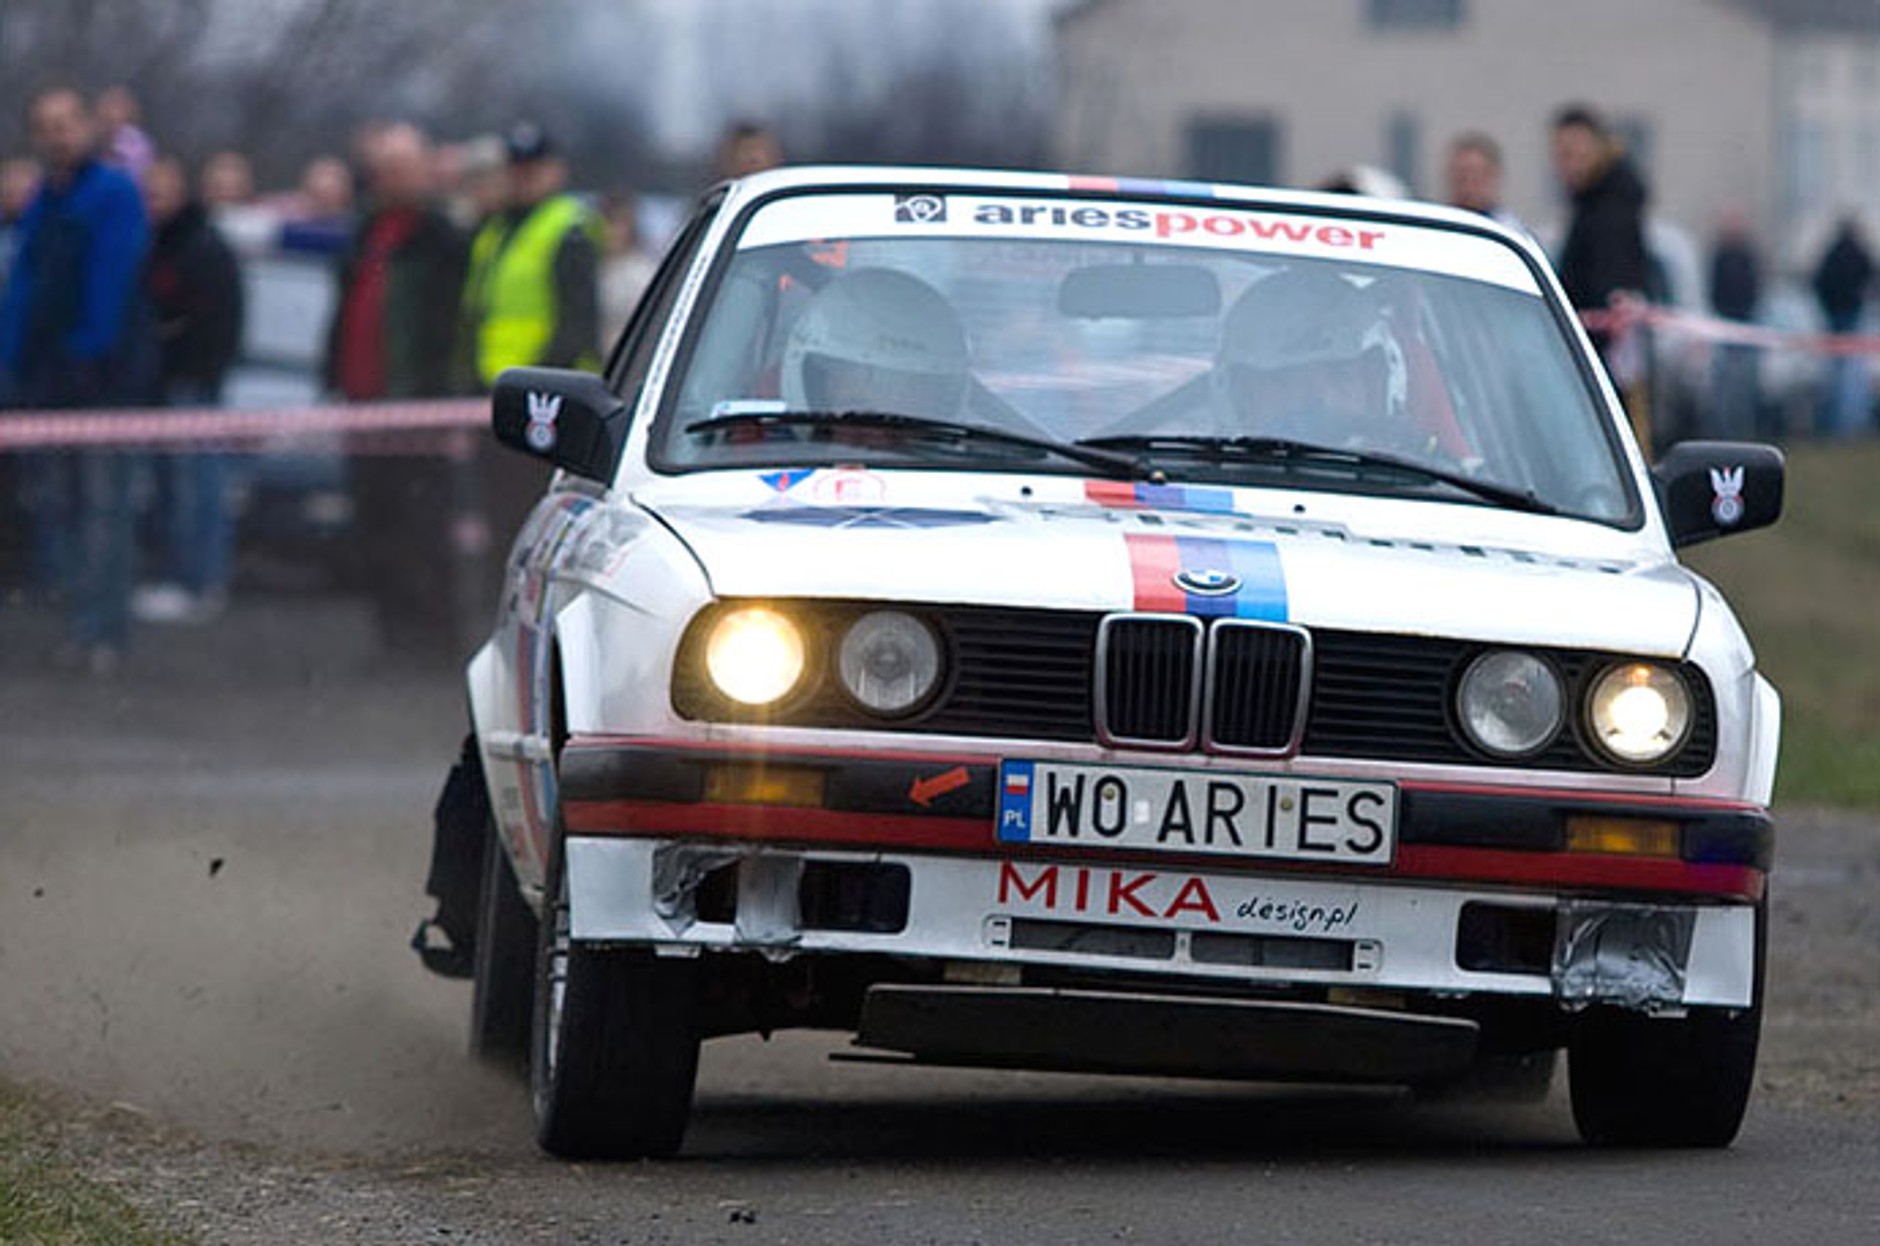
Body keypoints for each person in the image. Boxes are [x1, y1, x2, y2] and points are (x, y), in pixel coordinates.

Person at [0, 86, 152, 674]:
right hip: (49, 382)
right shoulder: (44, 200)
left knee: (105, 509)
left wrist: (89, 353)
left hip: (101, 382)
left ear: (87, 128)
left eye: (66, 123)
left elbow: (110, 283)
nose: (57, 136)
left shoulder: (112, 193)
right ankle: (82, 625)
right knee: (64, 509)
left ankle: (106, 632)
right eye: (46, 126)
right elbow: (27, 288)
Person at [322, 121, 468, 657]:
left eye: (402, 167)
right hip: (364, 400)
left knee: (422, 527)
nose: (391, 178)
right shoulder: (365, 231)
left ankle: (432, 633)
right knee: (375, 522)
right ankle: (394, 633)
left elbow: (450, 322)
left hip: (417, 403)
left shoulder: (442, 238)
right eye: (384, 168)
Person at [133, 155, 245, 624]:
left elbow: (213, 320)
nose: (153, 201)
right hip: (167, 386)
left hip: (193, 386)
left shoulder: (201, 246)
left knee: (194, 490)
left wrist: (187, 362)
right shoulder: (158, 243)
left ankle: (198, 583)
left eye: (161, 191)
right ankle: (183, 579)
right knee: (173, 489)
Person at [1213, 266, 1416, 452]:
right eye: (1288, 381)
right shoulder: (1195, 474)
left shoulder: (1431, 477)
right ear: (1241, 394)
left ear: (1378, 386)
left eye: (1340, 377)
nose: (1322, 399)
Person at [465, 121, 602, 390]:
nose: (522, 178)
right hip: (495, 380)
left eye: (533, 170)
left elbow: (577, 323)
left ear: (556, 171)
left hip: (550, 385)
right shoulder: (495, 230)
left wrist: (543, 378)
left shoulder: (567, 228)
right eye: (516, 169)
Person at [1550, 103, 1651, 440]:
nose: (1568, 165)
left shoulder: (1610, 208)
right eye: (1562, 155)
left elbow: (1608, 282)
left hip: (1608, 348)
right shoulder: (1592, 203)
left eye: (1575, 153)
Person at [780, 267, 970, 419]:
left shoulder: (985, 458)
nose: (874, 437)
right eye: (855, 412)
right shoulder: (765, 455)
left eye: (901, 422)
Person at [1811, 215, 1875, 438]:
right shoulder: (1858, 253)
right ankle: (1846, 424)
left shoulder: (1831, 254)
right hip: (1849, 319)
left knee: (1835, 376)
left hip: (1836, 320)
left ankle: (1837, 424)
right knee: (1849, 377)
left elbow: (1818, 282)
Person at [1705, 206, 1762, 441]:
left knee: (1743, 383)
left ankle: (1743, 426)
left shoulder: (1746, 255)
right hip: (1726, 324)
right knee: (1725, 384)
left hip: (1743, 326)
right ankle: (1725, 427)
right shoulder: (1721, 256)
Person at [598, 190, 657, 348]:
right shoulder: (590, 268)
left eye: (616, 223)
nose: (609, 231)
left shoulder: (642, 274)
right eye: (605, 222)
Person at [1445, 131, 1526, 235]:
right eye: (1462, 176)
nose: (1468, 186)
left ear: (1494, 176)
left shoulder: (1509, 232)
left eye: (1476, 176)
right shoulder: (1439, 224)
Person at [94, 85, 154, 186]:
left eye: (117, 107)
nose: (110, 112)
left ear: (128, 112)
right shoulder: (91, 135)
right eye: (107, 105)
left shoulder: (137, 143)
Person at [716, 119, 785, 181]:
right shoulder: (719, 192)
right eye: (746, 150)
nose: (753, 157)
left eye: (757, 149)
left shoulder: (787, 187)